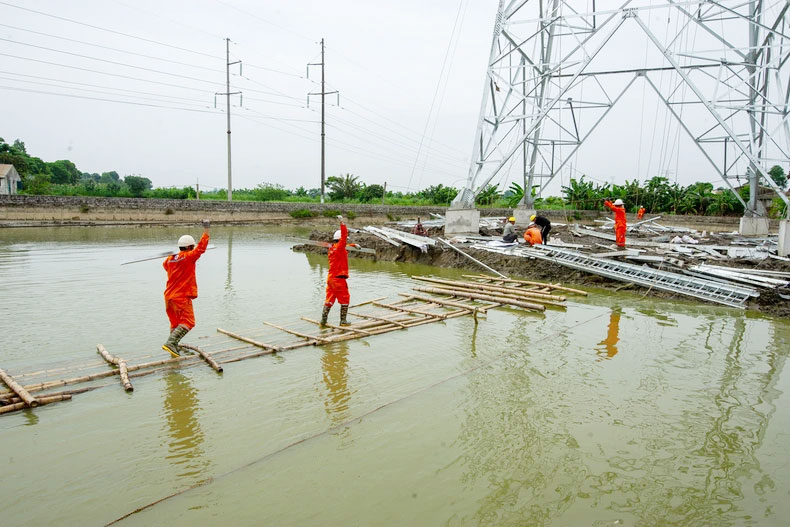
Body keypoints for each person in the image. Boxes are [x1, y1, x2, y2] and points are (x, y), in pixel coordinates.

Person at [162, 219, 210, 357]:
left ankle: (173, 348)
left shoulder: (169, 259)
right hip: (181, 297)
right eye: (192, 248)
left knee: (175, 323)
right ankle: (171, 343)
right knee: (189, 322)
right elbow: (201, 248)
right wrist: (206, 229)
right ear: (189, 247)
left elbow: (165, 266)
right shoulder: (188, 257)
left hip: (169, 297)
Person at [321, 215, 354, 326]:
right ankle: (343, 321)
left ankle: (323, 321)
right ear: (340, 240)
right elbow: (344, 237)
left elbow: (343, 246)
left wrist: (353, 245)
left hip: (331, 278)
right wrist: (342, 223)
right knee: (345, 298)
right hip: (339, 279)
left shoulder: (333, 248)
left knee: (329, 299)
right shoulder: (339, 247)